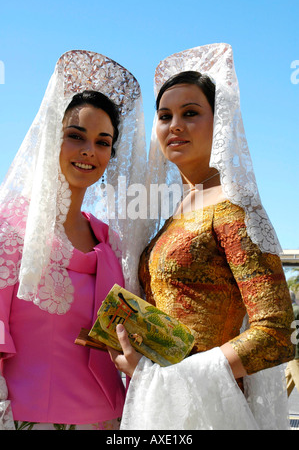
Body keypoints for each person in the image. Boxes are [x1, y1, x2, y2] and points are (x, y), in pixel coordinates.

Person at [109, 43, 295, 430]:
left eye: (190, 113)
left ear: (220, 122)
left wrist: (175, 375)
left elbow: (275, 332)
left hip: (208, 410)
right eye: (165, 115)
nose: (174, 125)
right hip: (157, 401)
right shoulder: (173, 212)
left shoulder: (235, 208)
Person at [0, 50, 146, 430]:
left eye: (102, 141)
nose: (88, 151)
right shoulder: (10, 228)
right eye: (75, 136)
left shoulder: (113, 243)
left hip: (108, 418)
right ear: (52, 138)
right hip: (27, 417)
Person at [285, 293, 299, 396]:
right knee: (287, 380)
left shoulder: (289, 312)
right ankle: (276, 407)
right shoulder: (297, 309)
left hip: (295, 352)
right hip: (295, 352)